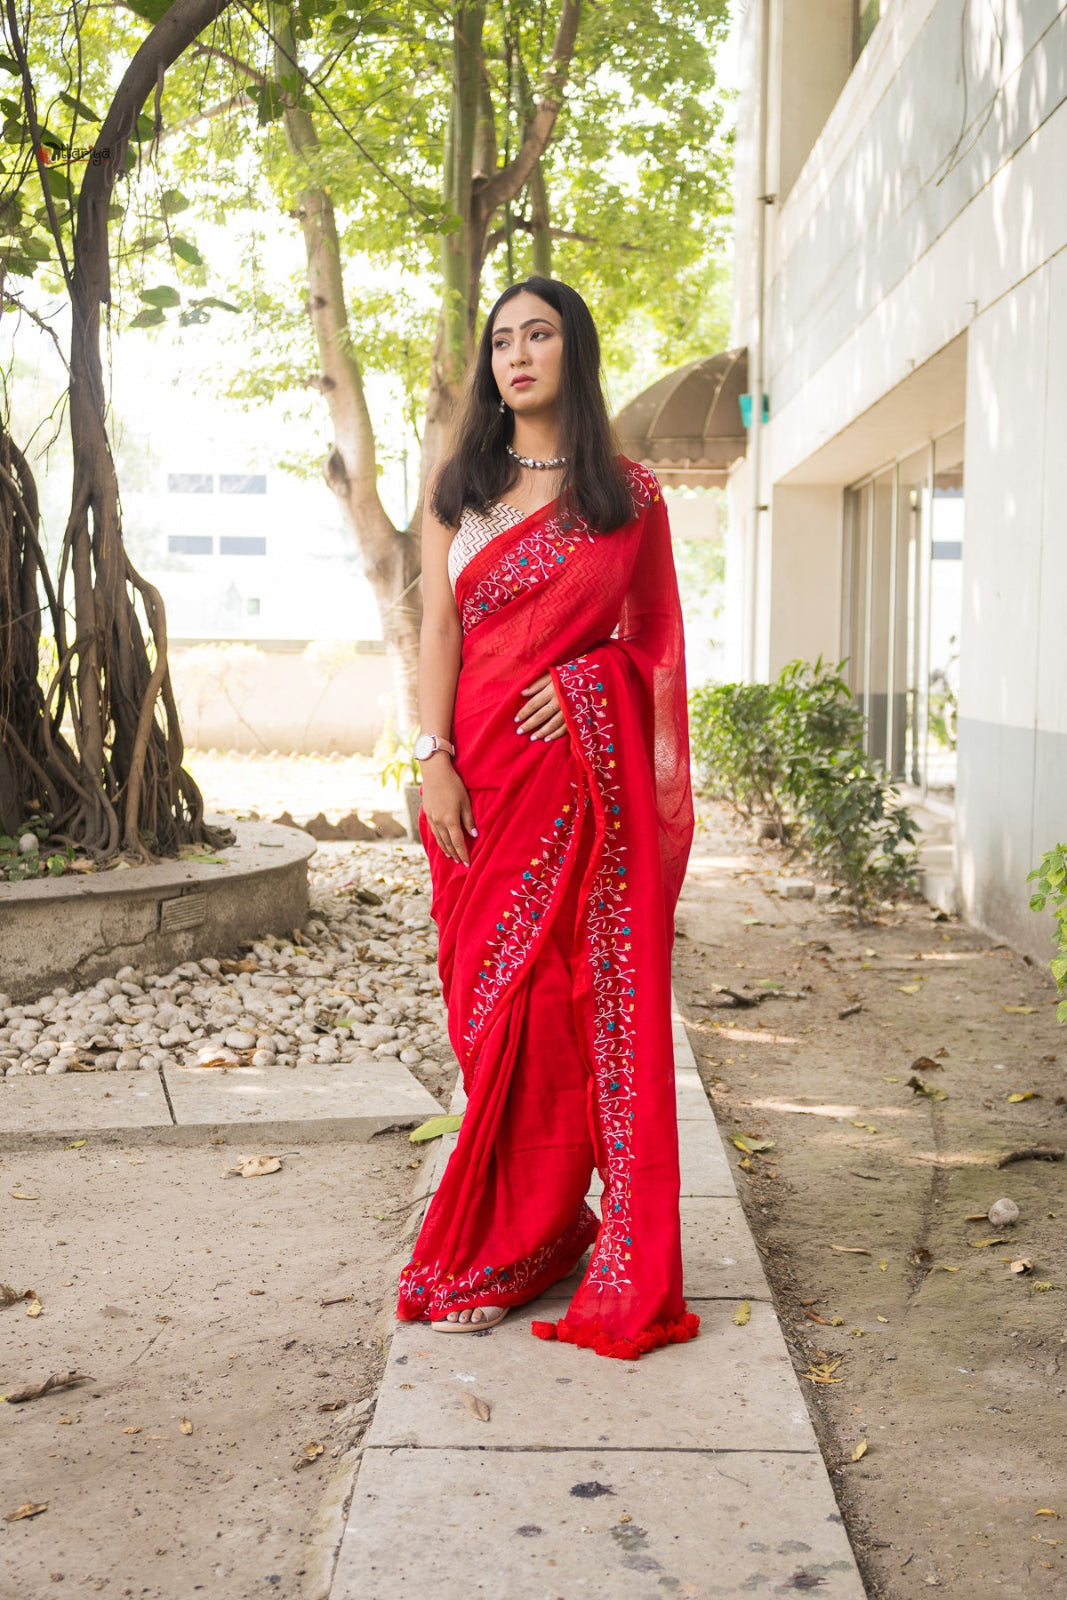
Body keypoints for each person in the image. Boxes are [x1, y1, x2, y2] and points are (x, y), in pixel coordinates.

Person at [396, 276, 698, 1360]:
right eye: (501, 339)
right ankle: (535, 1224)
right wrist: (431, 760)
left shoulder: (628, 496)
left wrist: (586, 688)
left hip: (571, 785)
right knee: (486, 1009)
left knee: (555, 1003)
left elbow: (652, 651)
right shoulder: (461, 484)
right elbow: (437, 631)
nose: (516, 354)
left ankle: (512, 1240)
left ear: (574, 350)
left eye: (539, 334)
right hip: (472, 776)